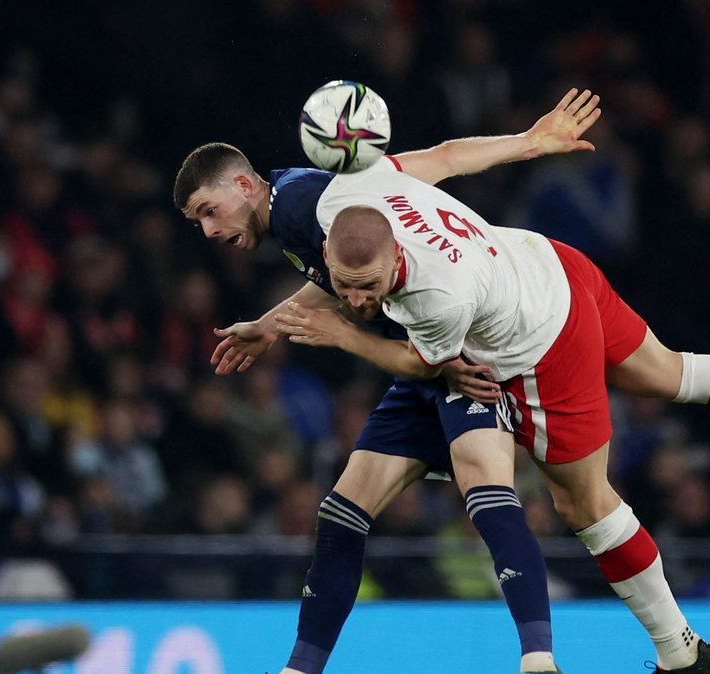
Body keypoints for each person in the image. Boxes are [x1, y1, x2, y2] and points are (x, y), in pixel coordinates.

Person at [272, 155, 710, 672]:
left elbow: (426, 366)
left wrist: (340, 332)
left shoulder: (435, 294)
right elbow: (441, 159)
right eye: (345, 286)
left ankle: (678, 655)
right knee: (668, 372)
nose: (356, 300)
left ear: (392, 263)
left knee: (585, 506)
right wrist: (526, 140)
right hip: (550, 263)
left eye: (369, 289)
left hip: (539, 341)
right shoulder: (361, 193)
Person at [174, 88, 605, 674]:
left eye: (207, 210)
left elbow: (434, 169)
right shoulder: (299, 201)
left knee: (484, 486)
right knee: (342, 512)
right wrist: (268, 327)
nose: (206, 229)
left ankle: (539, 660)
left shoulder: (312, 204)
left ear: (244, 186)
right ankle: (299, 669)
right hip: (425, 357)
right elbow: (438, 161)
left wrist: (530, 145)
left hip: (458, 352)